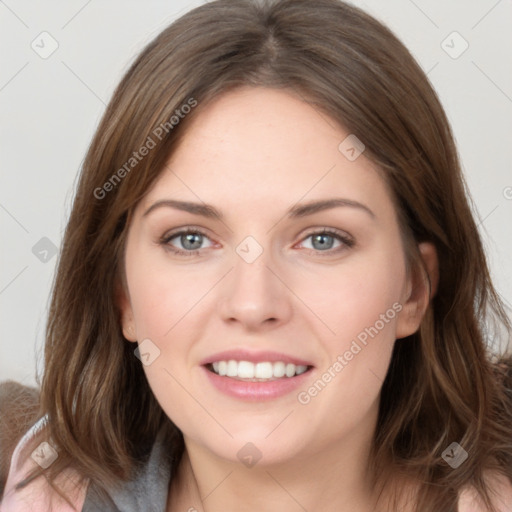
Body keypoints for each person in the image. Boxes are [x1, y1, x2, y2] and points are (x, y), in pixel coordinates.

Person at [1, 0, 512, 510]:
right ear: (122, 296)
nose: (252, 303)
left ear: (413, 289)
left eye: (322, 239)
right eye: (190, 239)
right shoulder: (44, 490)